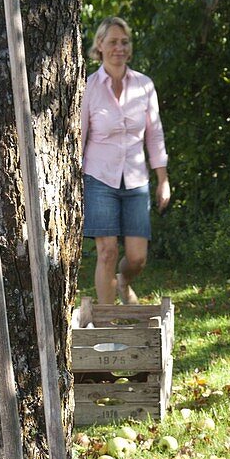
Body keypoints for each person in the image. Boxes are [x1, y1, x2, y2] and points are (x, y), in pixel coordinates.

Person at [81, 16, 170, 305]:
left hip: (135, 180)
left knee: (137, 257)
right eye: (112, 42)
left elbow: (154, 135)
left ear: (129, 48)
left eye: (124, 42)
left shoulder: (144, 85)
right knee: (106, 252)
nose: (119, 47)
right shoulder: (89, 87)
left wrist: (162, 180)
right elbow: (79, 137)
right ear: (100, 46)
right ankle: (107, 327)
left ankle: (123, 282)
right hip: (99, 178)